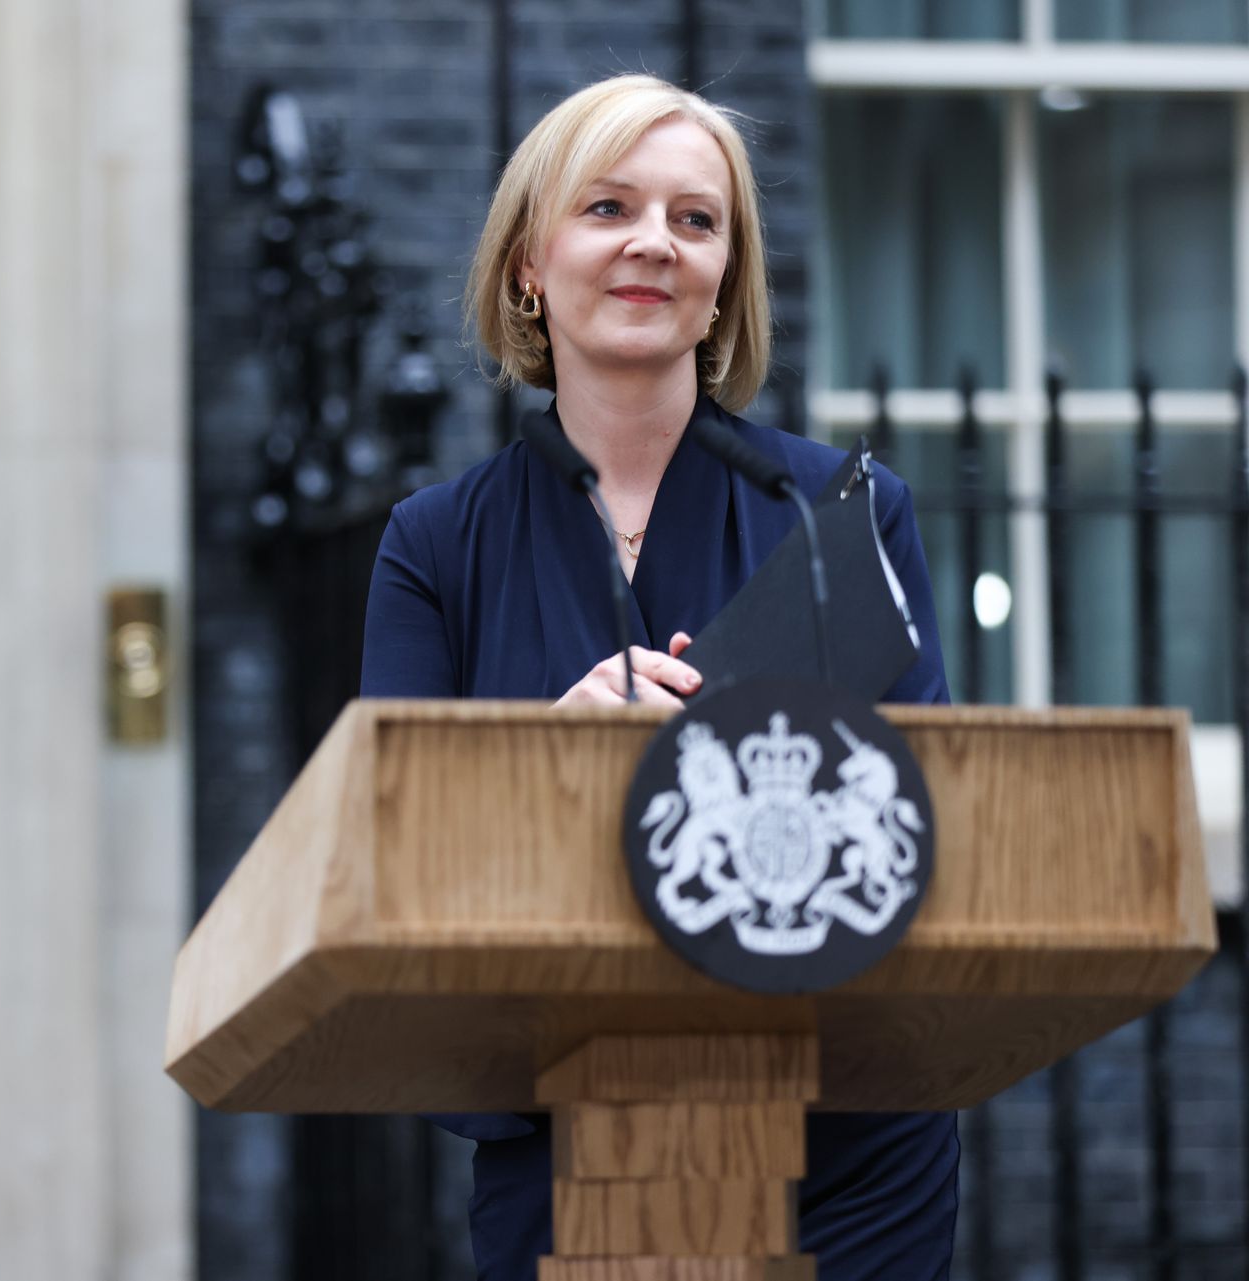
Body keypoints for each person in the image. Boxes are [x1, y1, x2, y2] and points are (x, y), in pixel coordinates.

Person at [358, 74, 959, 1280]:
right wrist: (551, 757)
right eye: (609, 208)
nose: (654, 244)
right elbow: (390, 863)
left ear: (726, 279)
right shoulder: (434, 545)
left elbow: (932, 815)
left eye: (696, 221)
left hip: (843, 1150)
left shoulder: (837, 510)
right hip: (573, 1144)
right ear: (529, 261)